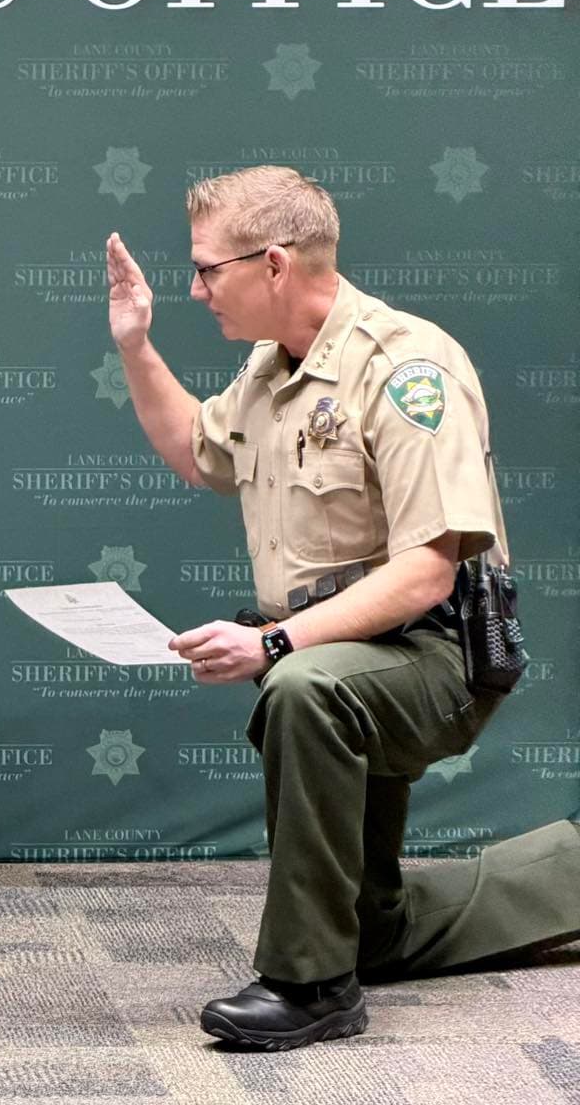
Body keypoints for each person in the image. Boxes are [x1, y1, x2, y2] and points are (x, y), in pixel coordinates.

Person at [107, 165, 580, 1050]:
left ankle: (311, 984)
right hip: (348, 652)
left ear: (274, 264)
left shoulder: (407, 368)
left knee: (303, 688)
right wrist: (136, 344)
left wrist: (277, 642)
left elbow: (428, 575)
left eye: (209, 269)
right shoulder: (269, 370)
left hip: (438, 660)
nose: (196, 287)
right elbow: (196, 455)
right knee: (375, 925)